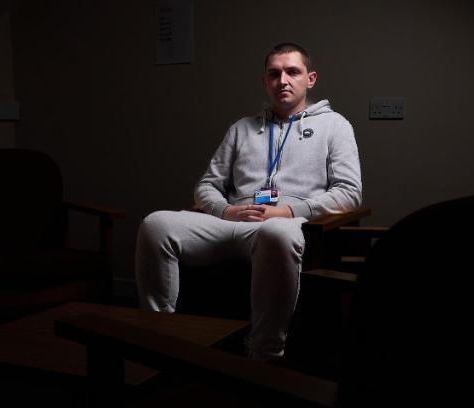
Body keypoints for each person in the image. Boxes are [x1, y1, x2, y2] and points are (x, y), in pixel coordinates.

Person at [136, 42, 362, 362]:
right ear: (265, 81)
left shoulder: (335, 125)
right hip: (232, 220)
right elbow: (207, 186)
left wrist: (286, 211)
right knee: (156, 223)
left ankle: (264, 352)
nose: (282, 80)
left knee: (277, 231)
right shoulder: (242, 128)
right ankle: (159, 335)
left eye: (292, 72)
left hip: (285, 225)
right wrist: (226, 210)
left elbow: (349, 193)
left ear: (310, 79)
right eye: (274, 73)